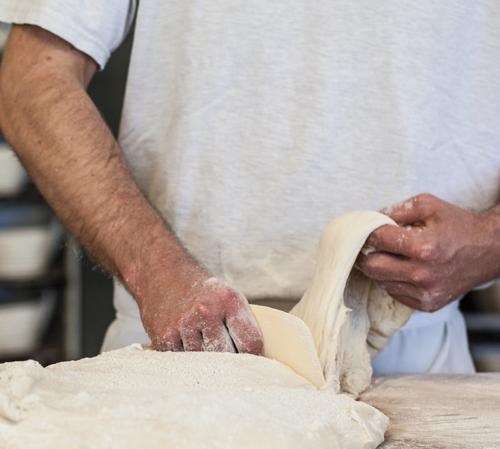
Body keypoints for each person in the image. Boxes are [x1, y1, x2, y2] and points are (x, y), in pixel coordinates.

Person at [1, 1, 500, 373]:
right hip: (180, 344)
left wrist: (491, 239)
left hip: (418, 353)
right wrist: (156, 270)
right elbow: (33, 81)